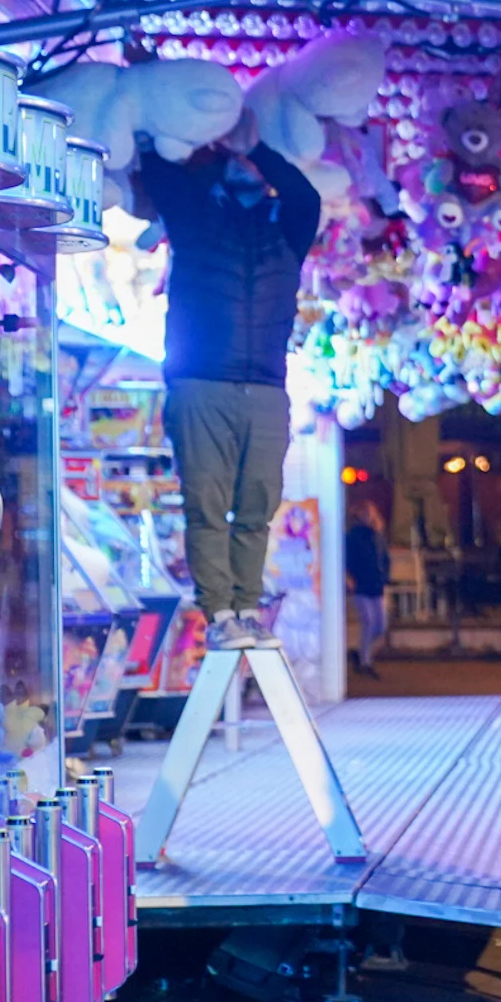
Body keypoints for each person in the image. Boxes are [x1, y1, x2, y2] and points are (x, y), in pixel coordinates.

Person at [137, 109, 322, 653]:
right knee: (208, 503)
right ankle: (219, 612)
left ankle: (247, 605)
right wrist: (215, 148)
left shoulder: (286, 233)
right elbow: (164, 179)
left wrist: (255, 147)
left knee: (259, 503)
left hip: (265, 387)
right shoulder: (196, 221)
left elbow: (305, 196)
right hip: (200, 384)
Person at [344, 500, 390, 677]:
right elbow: (348, 558)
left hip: (375, 584)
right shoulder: (353, 536)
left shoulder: (377, 536)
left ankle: (360, 652)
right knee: (370, 622)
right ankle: (365, 661)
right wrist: (349, 577)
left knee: (380, 625)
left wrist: (385, 576)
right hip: (361, 584)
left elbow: (384, 558)